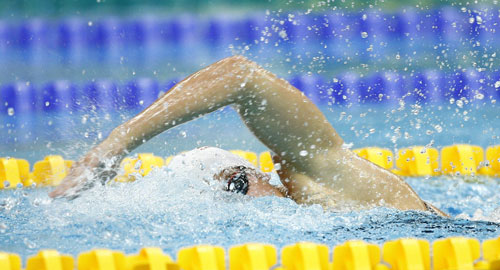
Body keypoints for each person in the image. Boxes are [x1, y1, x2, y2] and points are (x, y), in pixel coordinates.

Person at [49, 55, 446, 216]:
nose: (247, 190)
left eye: (239, 181)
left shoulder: (324, 175)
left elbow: (240, 75)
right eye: (233, 190)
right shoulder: (300, 213)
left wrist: (113, 147)